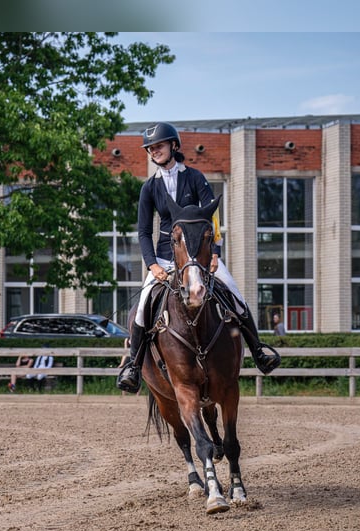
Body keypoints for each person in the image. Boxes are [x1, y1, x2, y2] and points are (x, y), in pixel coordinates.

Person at [116, 122, 281, 394]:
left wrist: (215, 253)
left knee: (236, 296)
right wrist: (153, 264)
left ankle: (259, 350)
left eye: (158, 146)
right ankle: (133, 367)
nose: (154, 151)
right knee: (144, 306)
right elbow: (144, 231)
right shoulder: (149, 188)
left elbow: (211, 219)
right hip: (166, 259)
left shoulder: (195, 177)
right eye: (150, 148)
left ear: (174, 146)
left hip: (202, 257)